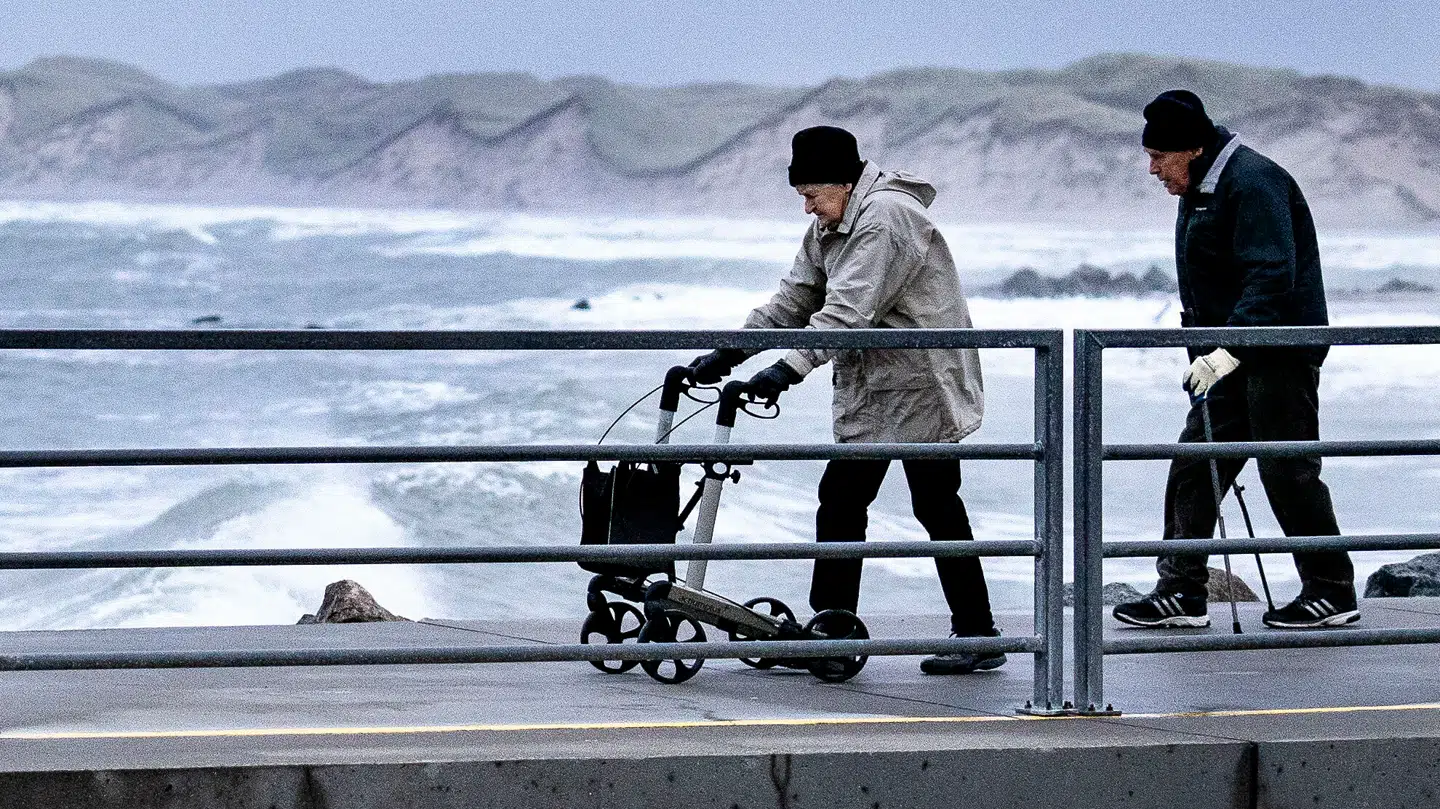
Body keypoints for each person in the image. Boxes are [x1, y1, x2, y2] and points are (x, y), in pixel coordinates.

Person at [688, 125, 1002, 674]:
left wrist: (786, 369)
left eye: (811, 195)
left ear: (842, 182)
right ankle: (845, 626)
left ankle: (954, 630)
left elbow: (848, 313)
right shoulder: (834, 223)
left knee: (916, 501)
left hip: (920, 384)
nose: (807, 208)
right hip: (875, 387)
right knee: (860, 500)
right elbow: (795, 298)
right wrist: (729, 352)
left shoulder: (884, 220)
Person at [1112, 90, 1358, 630]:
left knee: (1286, 468)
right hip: (1227, 354)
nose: (1152, 169)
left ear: (1193, 149)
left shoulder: (1254, 182)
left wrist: (1225, 351)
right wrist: (1211, 350)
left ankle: (1333, 589)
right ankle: (1182, 591)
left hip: (1276, 353)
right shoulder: (1202, 185)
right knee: (1195, 462)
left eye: (1159, 158)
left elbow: (1272, 277)